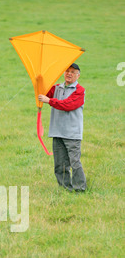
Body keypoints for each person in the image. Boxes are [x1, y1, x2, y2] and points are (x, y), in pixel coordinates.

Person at [38, 63, 87, 192]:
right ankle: (65, 189)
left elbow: (67, 105)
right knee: (60, 164)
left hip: (72, 133)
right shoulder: (57, 88)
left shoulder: (80, 91)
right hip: (57, 132)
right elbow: (43, 92)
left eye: (73, 71)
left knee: (75, 163)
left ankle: (80, 189)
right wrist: (40, 80)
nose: (69, 73)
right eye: (67, 71)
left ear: (78, 75)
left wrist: (49, 101)